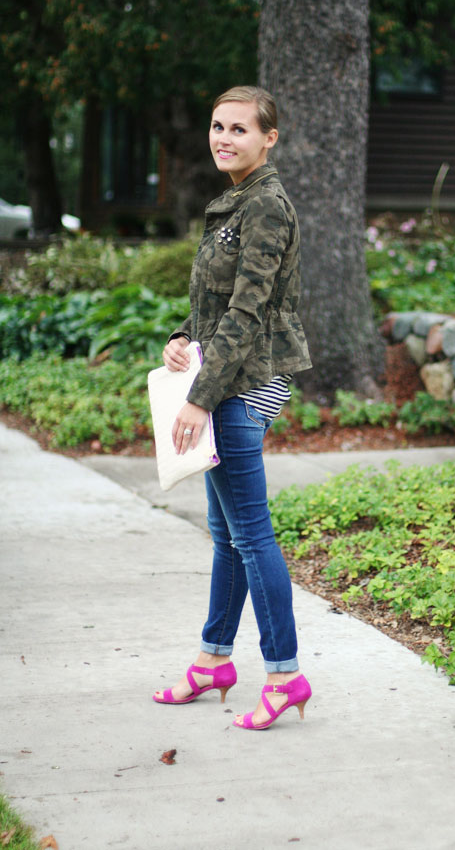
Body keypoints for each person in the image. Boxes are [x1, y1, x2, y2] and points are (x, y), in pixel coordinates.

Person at [153, 86, 313, 730]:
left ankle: (285, 675)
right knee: (228, 536)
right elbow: (215, 302)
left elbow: (248, 312)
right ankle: (213, 661)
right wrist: (181, 338)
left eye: (239, 129)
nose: (224, 138)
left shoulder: (265, 205)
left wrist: (200, 399)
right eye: (218, 126)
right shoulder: (237, 201)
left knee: (251, 535)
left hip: (243, 384)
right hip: (227, 375)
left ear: (269, 138)